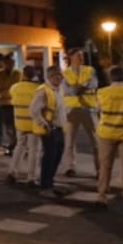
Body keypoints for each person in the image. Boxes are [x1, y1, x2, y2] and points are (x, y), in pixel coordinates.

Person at [95, 65, 123, 211]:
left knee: (105, 166)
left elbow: (98, 111)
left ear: (110, 77)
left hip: (107, 134)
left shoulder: (102, 92)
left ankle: (102, 197)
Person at [30, 65, 68, 197]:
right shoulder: (43, 90)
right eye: (57, 75)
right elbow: (34, 110)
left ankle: (50, 183)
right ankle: (45, 187)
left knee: (57, 156)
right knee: (49, 157)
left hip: (59, 128)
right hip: (50, 129)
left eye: (60, 74)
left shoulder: (59, 89)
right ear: (49, 77)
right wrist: (44, 124)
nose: (60, 77)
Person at [62, 48, 99, 178]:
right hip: (72, 110)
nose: (81, 57)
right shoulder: (64, 73)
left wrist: (78, 87)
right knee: (69, 141)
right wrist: (83, 86)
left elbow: (94, 84)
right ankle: (70, 167)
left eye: (82, 55)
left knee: (95, 141)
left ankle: (99, 169)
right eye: (78, 55)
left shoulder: (90, 70)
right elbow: (67, 90)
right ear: (71, 57)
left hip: (89, 108)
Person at [6, 65, 42, 186]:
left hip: (20, 123)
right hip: (33, 124)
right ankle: (31, 177)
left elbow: (12, 100)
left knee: (19, 147)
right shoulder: (38, 89)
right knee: (34, 150)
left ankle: (12, 173)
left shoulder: (14, 87)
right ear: (34, 75)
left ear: (23, 74)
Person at [0, 53, 21, 155]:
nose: (11, 64)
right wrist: (7, 88)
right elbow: (0, 85)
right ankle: (11, 145)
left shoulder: (17, 73)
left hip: (15, 102)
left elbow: (16, 85)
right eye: (9, 62)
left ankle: (15, 144)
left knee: (15, 125)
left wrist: (5, 89)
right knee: (8, 125)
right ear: (5, 63)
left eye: (13, 62)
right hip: (4, 102)